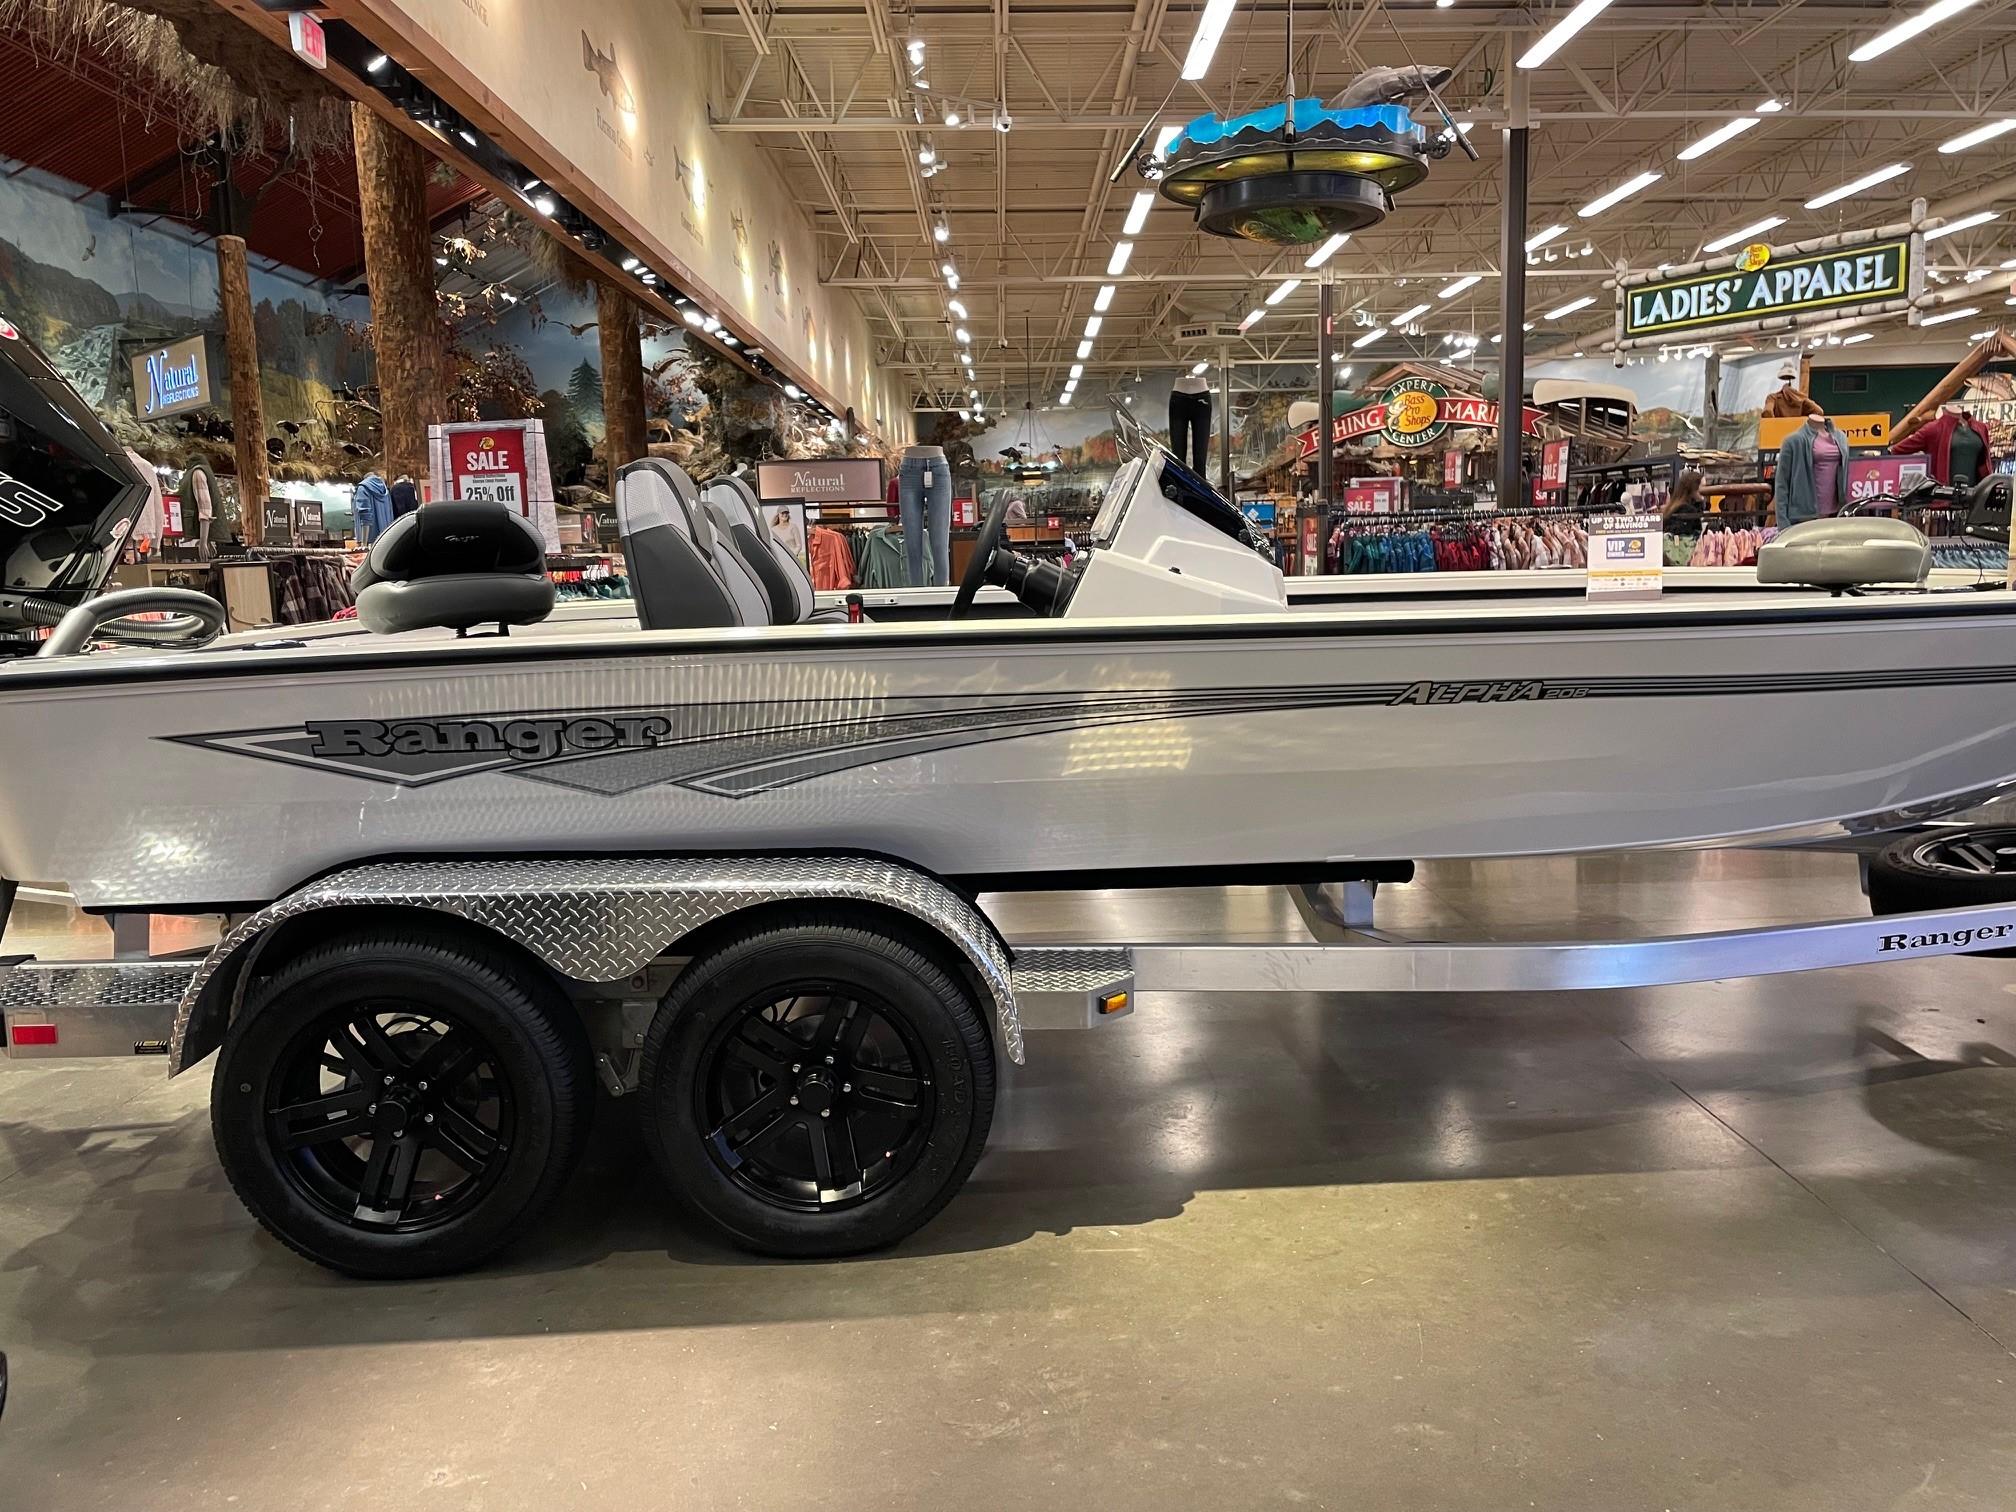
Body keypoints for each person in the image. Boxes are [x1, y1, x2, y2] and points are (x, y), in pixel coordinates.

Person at [1773, 410, 1849, 525]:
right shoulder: (1793, 441)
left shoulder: (1841, 438)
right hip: (1805, 517)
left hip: (1835, 514)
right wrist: (1783, 523)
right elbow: (1782, 484)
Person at [1892, 402, 1995, 486]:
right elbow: (1897, 450)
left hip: (1976, 493)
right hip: (1945, 494)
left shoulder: (1980, 428)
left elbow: (1984, 462)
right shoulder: (1934, 429)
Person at [1661, 467, 1707, 532]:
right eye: (1703, 486)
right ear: (1694, 487)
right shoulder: (1688, 511)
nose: (1706, 489)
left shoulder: (1674, 507)